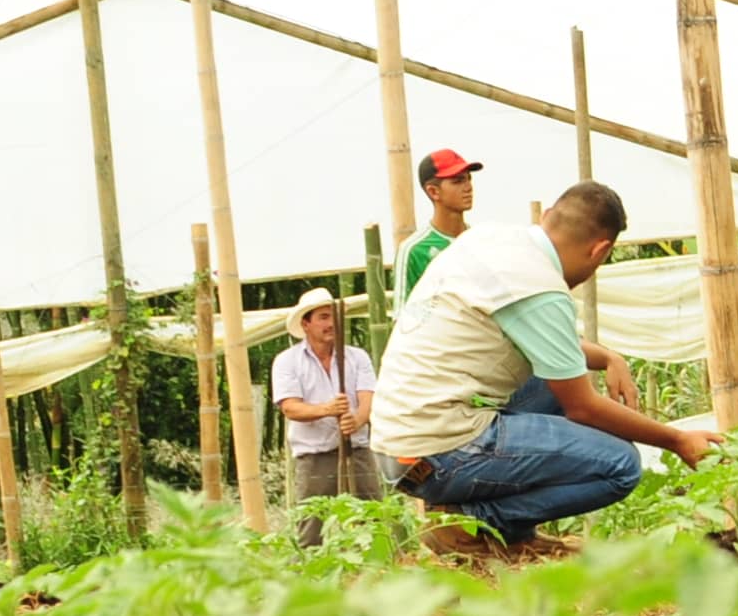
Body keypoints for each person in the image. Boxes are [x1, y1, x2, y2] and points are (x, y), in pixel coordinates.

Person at [378, 182, 712, 545]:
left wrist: (608, 357)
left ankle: (514, 536)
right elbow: (583, 408)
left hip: (396, 442)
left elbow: (553, 346)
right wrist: (678, 440)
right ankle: (473, 524)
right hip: (437, 454)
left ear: (547, 216)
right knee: (621, 466)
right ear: (600, 251)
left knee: (550, 380)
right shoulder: (541, 289)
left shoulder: (491, 239)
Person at [271, 284, 384, 542]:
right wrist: (327, 409)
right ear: (306, 324)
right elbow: (290, 407)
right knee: (312, 527)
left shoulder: (357, 357)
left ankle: (378, 574)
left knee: (374, 519)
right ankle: (311, 576)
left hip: (357, 450)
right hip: (314, 456)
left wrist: (356, 420)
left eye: (333, 316)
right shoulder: (287, 361)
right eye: (323, 317)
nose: (331, 323)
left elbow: (369, 399)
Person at [399, 148, 481, 296]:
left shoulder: (479, 241)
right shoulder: (415, 250)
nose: (468, 187)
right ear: (433, 192)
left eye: (469, 178)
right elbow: (403, 314)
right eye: (458, 181)